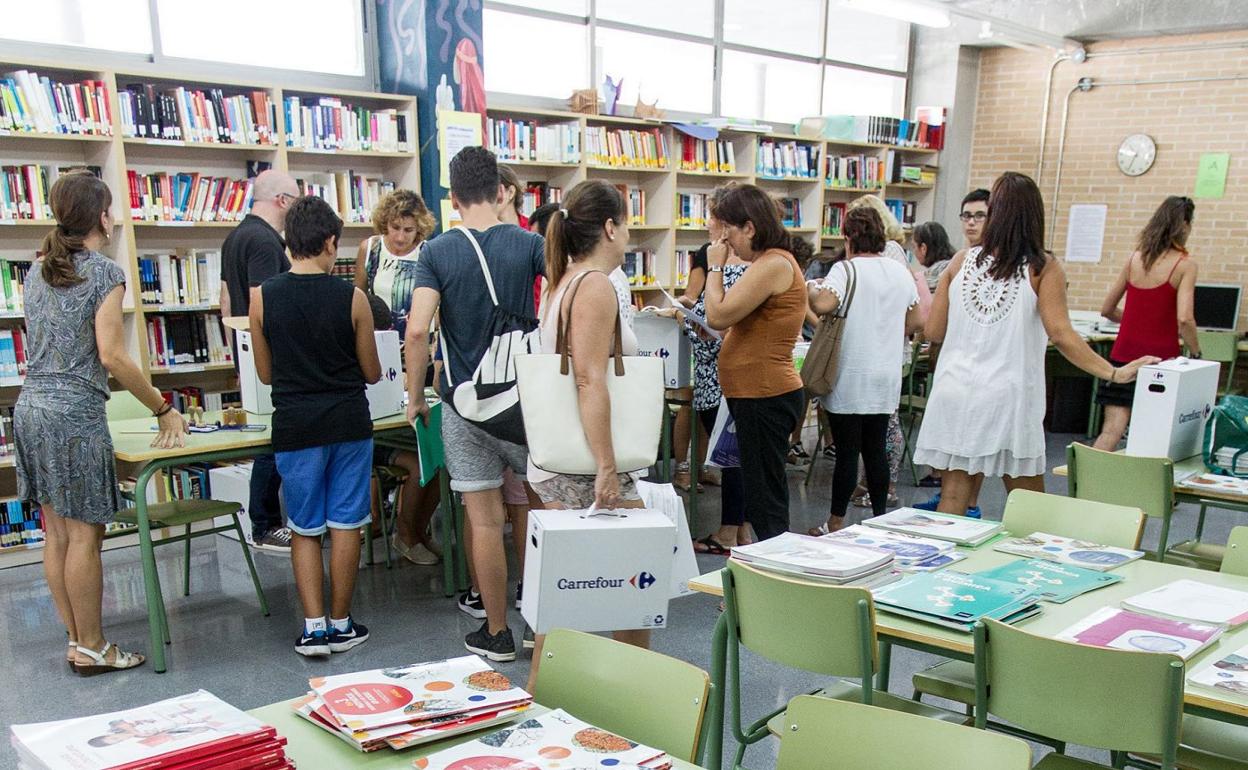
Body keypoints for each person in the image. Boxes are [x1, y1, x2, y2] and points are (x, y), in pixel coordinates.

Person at [15, 172, 188, 675]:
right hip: (74, 415)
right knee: (85, 536)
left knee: (58, 535)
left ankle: (78, 641)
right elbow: (113, 355)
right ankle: (94, 646)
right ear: (101, 217)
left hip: (31, 410)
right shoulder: (105, 274)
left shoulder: (38, 270)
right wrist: (161, 405)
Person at [913, 172, 1158, 516]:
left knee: (953, 498)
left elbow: (934, 331)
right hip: (1007, 395)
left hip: (955, 390)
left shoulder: (961, 262)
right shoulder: (1042, 267)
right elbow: (1062, 334)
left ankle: (939, 568)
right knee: (1032, 506)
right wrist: (1113, 373)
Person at [407, 146, 545, 663]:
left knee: (484, 520)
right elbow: (556, 307)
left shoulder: (438, 251)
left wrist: (415, 396)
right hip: (526, 404)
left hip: (465, 405)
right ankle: (538, 624)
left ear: (453, 196)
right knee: (538, 510)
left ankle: (496, 632)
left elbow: (418, 329)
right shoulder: (530, 244)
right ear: (500, 190)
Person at [524, 179, 655, 689]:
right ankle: (635, 689)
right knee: (637, 585)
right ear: (608, 227)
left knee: (562, 593)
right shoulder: (596, 286)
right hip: (591, 462)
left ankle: (547, 690)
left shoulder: (564, 280)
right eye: (625, 224)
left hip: (560, 459)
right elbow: (589, 378)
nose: (628, 236)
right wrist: (606, 464)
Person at [249, 195, 381, 658]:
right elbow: (371, 371)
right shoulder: (354, 297)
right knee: (347, 523)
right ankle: (343, 623)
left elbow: (265, 374)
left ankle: (313, 628)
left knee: (304, 528)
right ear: (330, 243)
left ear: (288, 244)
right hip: (348, 423)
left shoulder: (262, 297)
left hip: (295, 427)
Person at [808, 207, 921, 532]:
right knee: (876, 450)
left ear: (848, 238)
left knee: (847, 451)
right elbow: (916, 320)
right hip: (885, 375)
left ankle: (836, 522)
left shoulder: (846, 270)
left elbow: (823, 305)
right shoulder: (899, 272)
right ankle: (880, 519)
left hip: (851, 374)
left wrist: (812, 289)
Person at [704, 184, 806, 541]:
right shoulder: (766, 263)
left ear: (749, 227)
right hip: (755, 394)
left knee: (764, 500)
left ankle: (776, 578)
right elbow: (735, 321)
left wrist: (714, 267)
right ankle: (769, 574)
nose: (726, 243)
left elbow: (717, 314)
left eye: (729, 232)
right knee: (761, 494)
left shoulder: (773, 264)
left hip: (766, 394)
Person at [353, 189, 442, 566]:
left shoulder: (430, 253)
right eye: (394, 228)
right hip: (377, 356)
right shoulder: (370, 250)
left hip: (419, 356)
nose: (401, 237)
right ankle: (392, 527)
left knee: (431, 448)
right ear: (383, 224)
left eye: (409, 229)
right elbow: (358, 299)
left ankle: (412, 530)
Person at [220, 169, 301, 551]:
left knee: (269, 437)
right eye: (296, 199)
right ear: (282, 201)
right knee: (274, 439)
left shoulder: (236, 236)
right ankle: (265, 523)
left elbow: (225, 299)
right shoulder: (266, 241)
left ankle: (264, 520)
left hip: (248, 352)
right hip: (269, 355)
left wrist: (238, 354)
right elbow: (261, 300)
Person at [843, 194, 931, 509]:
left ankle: (884, 485)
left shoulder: (885, 256)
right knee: (880, 427)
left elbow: (898, 305)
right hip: (886, 349)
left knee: (883, 428)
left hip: (879, 349)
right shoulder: (893, 254)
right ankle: (875, 484)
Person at [1094, 196, 1200, 450]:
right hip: (1161, 363)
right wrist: (1196, 352)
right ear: (1184, 226)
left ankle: (1083, 485)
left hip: (1123, 358)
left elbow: (1106, 309)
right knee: (1156, 435)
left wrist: (1134, 322)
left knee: (1111, 431)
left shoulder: (1134, 260)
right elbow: (1184, 318)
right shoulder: (1184, 265)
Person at [914, 188, 991, 502]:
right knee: (958, 452)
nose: (971, 223)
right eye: (966, 216)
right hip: (953, 367)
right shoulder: (959, 262)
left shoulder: (970, 264)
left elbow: (933, 326)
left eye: (979, 216)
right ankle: (961, 505)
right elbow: (935, 327)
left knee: (974, 453)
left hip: (982, 372)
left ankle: (966, 506)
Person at [912, 221, 957, 293]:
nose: (913, 251)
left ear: (923, 248)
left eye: (914, 247)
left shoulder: (931, 277)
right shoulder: (956, 264)